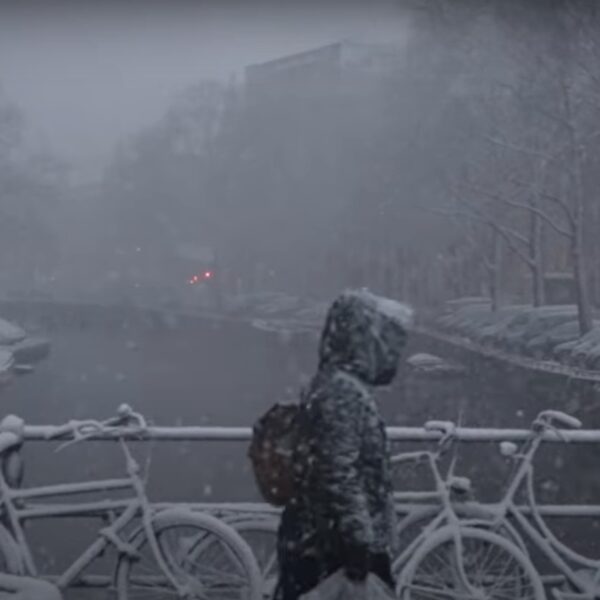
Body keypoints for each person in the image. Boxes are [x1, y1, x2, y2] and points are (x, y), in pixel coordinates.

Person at [275, 289, 409, 600]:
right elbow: (338, 471)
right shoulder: (344, 392)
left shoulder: (331, 381)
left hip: (317, 539)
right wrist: (358, 541)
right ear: (361, 338)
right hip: (333, 546)